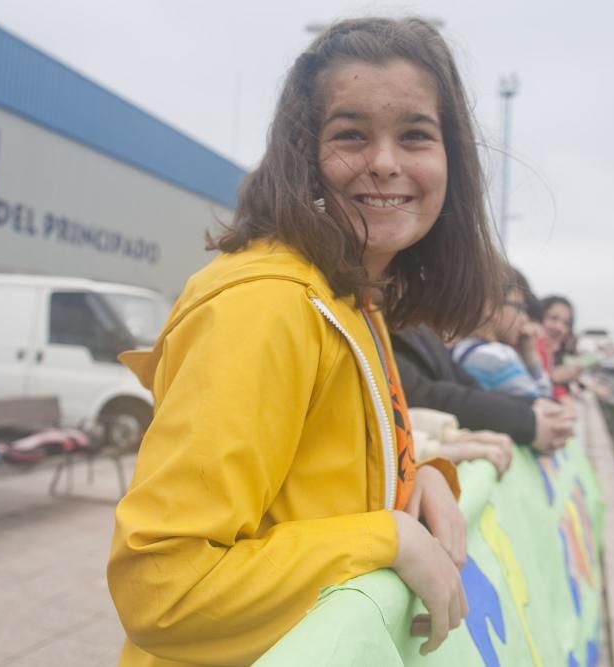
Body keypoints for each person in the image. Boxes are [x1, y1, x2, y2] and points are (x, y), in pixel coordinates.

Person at [107, 17, 505, 666]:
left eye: (415, 135)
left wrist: (421, 479)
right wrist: (390, 540)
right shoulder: (267, 305)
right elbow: (164, 588)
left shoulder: (352, 299)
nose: (384, 161)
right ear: (304, 156)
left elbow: (319, 483)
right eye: (351, 134)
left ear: (450, 161)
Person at [393, 325, 574, 453]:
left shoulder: (417, 327)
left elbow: (466, 386)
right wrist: (529, 420)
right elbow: (426, 395)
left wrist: (532, 406)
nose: (523, 321)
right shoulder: (493, 354)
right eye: (518, 308)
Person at [452, 269, 552, 400]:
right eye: (519, 307)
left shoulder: (461, 348)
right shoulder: (498, 356)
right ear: (490, 307)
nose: (525, 318)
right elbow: (545, 405)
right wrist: (530, 354)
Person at [537, 295, 583, 397]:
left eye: (566, 323)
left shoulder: (555, 356)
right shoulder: (525, 350)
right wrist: (552, 378)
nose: (559, 327)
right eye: (553, 318)